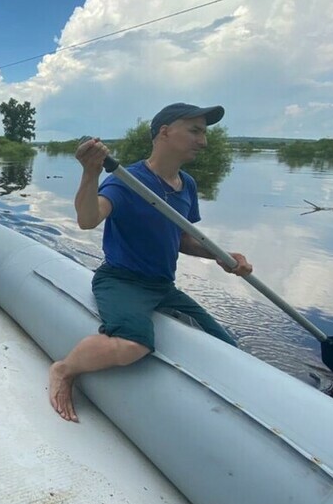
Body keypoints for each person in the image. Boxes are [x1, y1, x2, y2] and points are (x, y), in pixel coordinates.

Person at [49, 102, 253, 422]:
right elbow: (88, 220)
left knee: (226, 346)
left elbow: (183, 238)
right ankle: (63, 369)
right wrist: (90, 172)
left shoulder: (187, 184)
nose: (204, 141)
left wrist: (221, 257)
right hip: (121, 280)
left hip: (162, 285)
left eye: (204, 133)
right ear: (165, 132)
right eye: (195, 131)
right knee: (134, 344)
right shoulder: (126, 180)